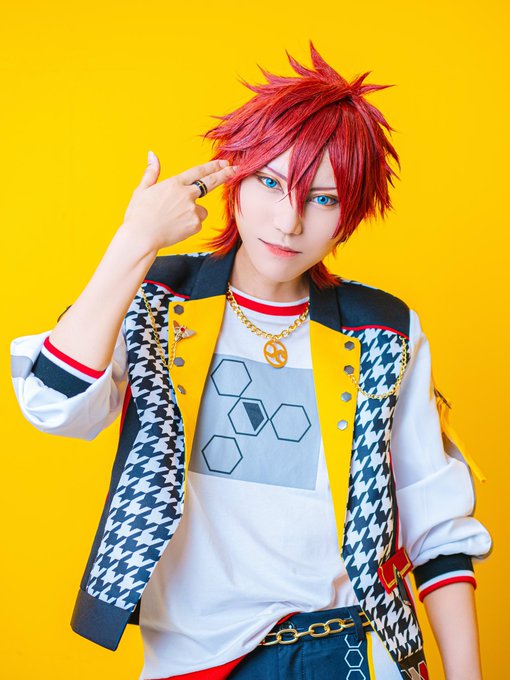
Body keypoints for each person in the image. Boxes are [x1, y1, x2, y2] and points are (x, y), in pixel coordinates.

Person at [10, 41, 492, 680]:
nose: (289, 220)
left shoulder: (384, 329)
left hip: (352, 649)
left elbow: (436, 527)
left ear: (349, 216)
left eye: (323, 198)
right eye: (270, 182)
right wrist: (136, 239)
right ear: (232, 178)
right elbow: (52, 403)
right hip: (196, 657)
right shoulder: (156, 299)